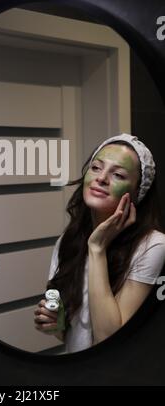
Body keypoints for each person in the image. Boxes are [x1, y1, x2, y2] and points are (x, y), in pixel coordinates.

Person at [34, 133, 165, 353]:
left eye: (118, 175)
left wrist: (97, 249)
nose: (101, 178)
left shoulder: (153, 246)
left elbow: (108, 340)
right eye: (96, 167)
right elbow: (69, 334)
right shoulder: (68, 241)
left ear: (136, 193)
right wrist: (53, 323)